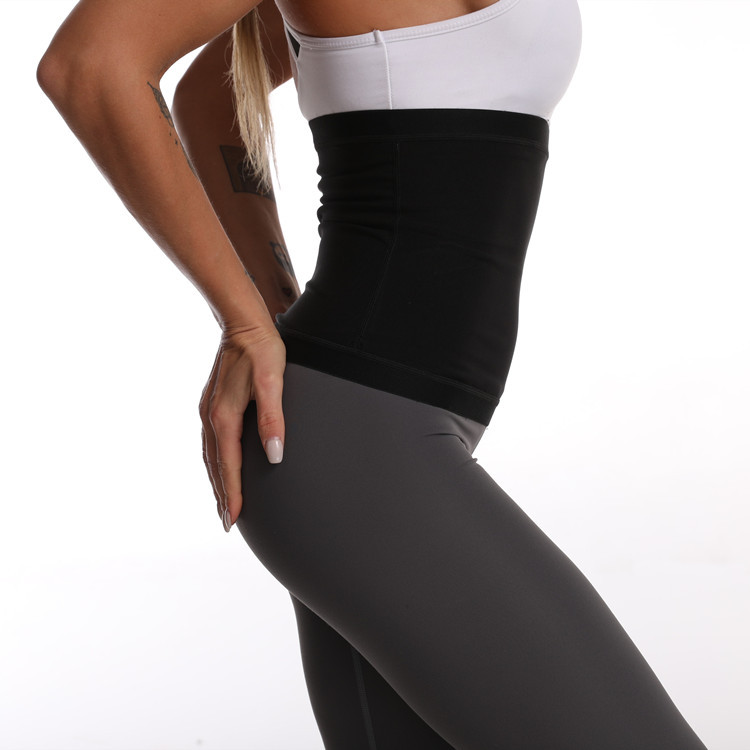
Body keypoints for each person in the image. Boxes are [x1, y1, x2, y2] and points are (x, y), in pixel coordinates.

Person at [37, 0, 710, 747]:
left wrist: (275, 307)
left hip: (369, 434)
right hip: (352, 448)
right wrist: (248, 321)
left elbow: (215, 94)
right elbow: (90, 65)